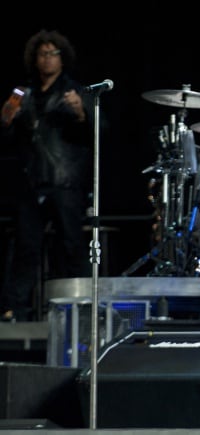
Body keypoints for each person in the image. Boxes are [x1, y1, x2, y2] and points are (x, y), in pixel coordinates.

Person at [0, 29, 93, 321]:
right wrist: (6, 120)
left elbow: (96, 132)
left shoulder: (73, 91)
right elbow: (10, 136)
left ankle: (77, 308)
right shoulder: (23, 93)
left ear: (62, 59)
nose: (47, 59)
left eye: (53, 54)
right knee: (26, 248)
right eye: (43, 54)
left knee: (70, 246)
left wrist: (81, 113)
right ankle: (16, 310)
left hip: (65, 181)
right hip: (31, 182)